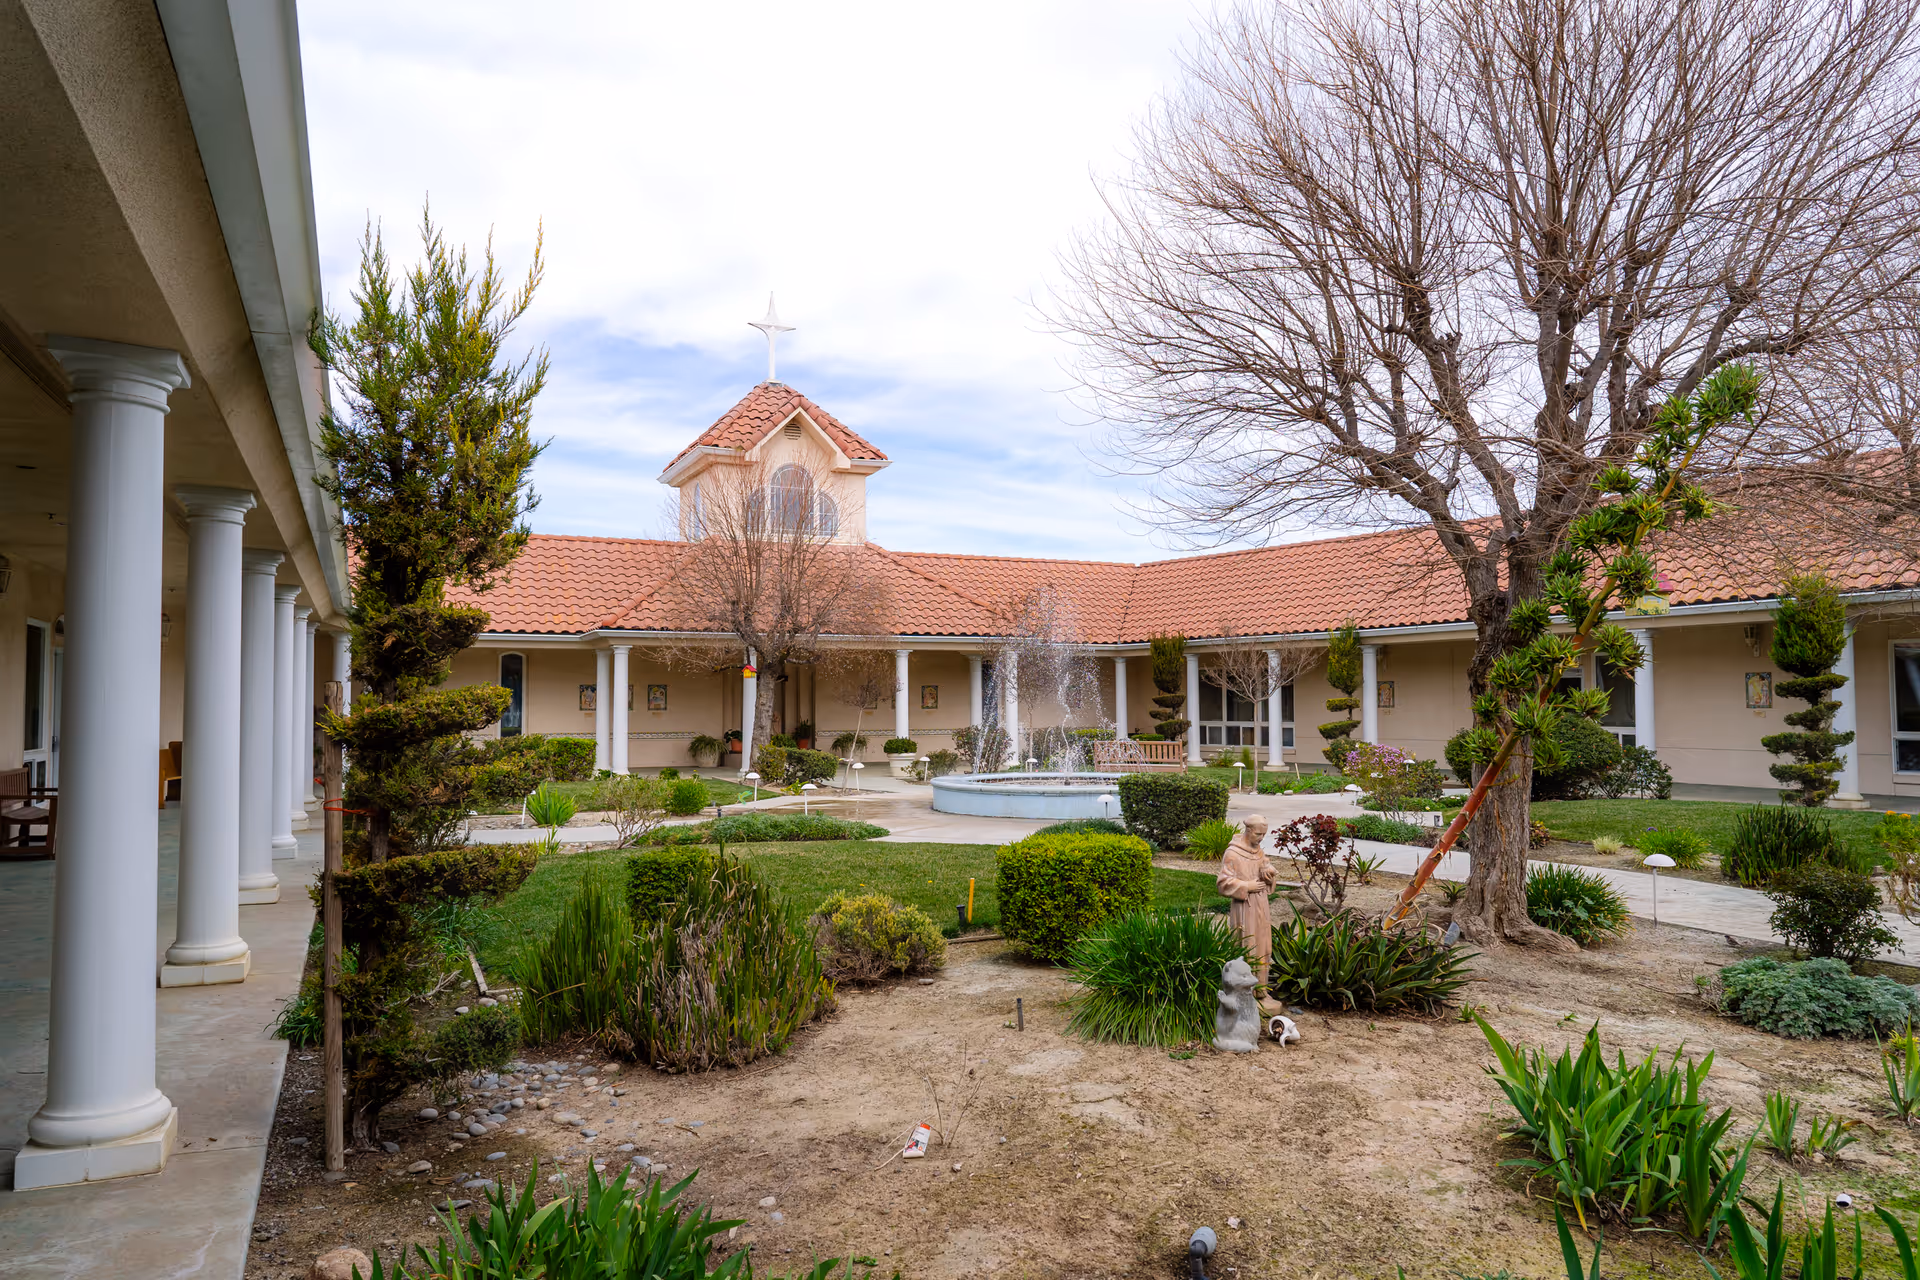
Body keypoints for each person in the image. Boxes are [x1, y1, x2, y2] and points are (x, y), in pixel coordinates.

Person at [1215, 814, 1282, 1014]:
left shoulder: (1258, 851)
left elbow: (1264, 866)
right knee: (1247, 943)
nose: (1261, 838)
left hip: (1261, 904)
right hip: (1244, 907)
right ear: (1249, 830)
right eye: (1259, 834)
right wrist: (1247, 886)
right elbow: (1223, 883)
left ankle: (1260, 990)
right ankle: (1243, 991)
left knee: (1263, 944)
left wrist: (1268, 872)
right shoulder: (1233, 853)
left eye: (1264, 834)